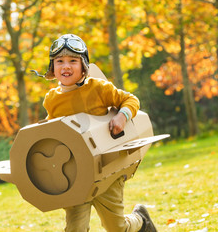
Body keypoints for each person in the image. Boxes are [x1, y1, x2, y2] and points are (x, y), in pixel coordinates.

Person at [42, 34, 157, 232]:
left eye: (73, 61)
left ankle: (141, 220)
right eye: (59, 61)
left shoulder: (97, 88)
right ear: (53, 68)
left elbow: (131, 100)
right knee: (75, 229)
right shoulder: (51, 99)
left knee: (117, 228)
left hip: (106, 172)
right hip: (75, 175)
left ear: (84, 65)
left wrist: (122, 117)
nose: (66, 66)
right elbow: (52, 129)